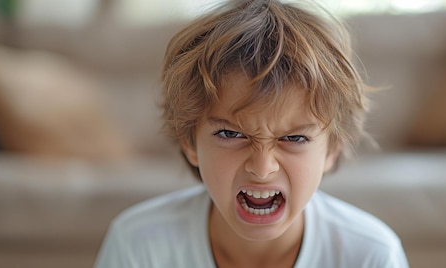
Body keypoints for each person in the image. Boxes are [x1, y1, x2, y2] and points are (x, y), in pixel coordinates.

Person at [94, 0, 409, 267]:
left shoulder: (370, 255)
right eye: (231, 135)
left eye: (294, 138)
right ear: (190, 141)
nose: (261, 168)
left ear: (332, 149)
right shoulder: (139, 246)